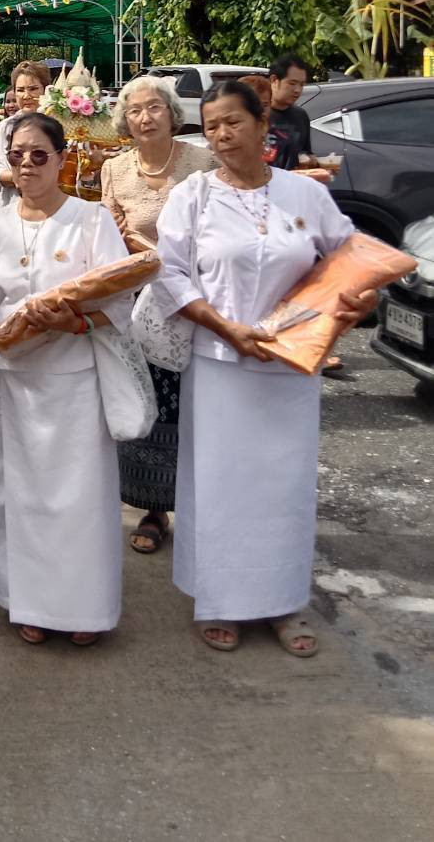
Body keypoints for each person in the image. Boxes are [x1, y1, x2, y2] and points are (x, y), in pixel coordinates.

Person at [151, 80, 375, 657]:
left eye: (233, 122)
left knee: (283, 487)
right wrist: (226, 327)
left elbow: (351, 256)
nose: (222, 135)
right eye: (211, 126)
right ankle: (219, 600)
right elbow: (170, 273)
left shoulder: (303, 194)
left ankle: (282, 602)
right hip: (219, 365)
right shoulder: (193, 196)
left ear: (261, 126)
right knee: (220, 485)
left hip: (291, 366)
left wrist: (357, 302)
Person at [0, 110, 137, 647]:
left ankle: (84, 608)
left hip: (74, 383)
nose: (28, 165)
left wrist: (74, 323)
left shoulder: (91, 220)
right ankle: (26, 602)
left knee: (79, 498)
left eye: (40, 155)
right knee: (16, 496)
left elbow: (119, 302)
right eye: (17, 156)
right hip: (14, 384)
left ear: (62, 159)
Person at [101, 76, 211, 554]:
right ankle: (154, 508)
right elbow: (107, 236)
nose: (144, 118)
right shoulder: (114, 169)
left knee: (199, 407)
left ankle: (208, 508)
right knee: (150, 404)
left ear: (172, 113)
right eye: (134, 110)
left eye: (154, 108)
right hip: (138, 305)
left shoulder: (201, 162)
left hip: (193, 302)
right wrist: (116, 233)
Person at [0, 61, 51, 212]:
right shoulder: (5, 127)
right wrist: (16, 178)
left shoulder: (59, 125)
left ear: (46, 90)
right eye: (20, 90)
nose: (26, 96)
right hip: (14, 207)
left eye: (33, 89)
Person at [265, 54, 314, 171]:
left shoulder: (301, 116)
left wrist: (316, 165)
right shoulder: (256, 114)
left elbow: (305, 154)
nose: (297, 90)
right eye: (292, 83)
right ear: (274, 80)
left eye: (301, 84)